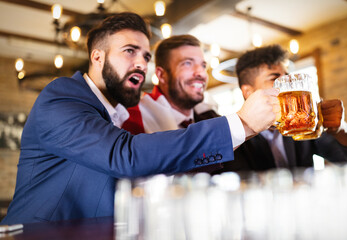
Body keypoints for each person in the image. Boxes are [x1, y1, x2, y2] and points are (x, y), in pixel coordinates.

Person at [1, 13, 280, 224]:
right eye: (129, 51)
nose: (141, 64)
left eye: (146, 56)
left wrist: (249, 129)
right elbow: (125, 157)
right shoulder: (61, 96)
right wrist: (241, 123)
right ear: (97, 57)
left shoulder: (114, 115)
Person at [217, 45, 347, 173]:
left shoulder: (302, 125)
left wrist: (341, 130)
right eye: (275, 79)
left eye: (287, 77)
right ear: (248, 92)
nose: (287, 86)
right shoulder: (233, 139)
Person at [122, 34, 221, 172]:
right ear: (161, 75)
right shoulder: (133, 118)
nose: (201, 73)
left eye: (203, 65)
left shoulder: (209, 115)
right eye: (187, 63)